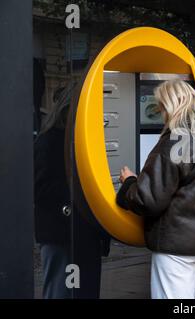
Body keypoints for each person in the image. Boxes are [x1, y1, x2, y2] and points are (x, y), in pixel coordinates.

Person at [116, 79, 195, 299]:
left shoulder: (175, 141)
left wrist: (129, 183)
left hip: (177, 248)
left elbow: (148, 199)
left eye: (162, 107)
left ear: (173, 105)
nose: (162, 114)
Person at [34, 81, 110, 299]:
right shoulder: (50, 141)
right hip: (62, 232)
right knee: (62, 289)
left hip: (82, 231)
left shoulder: (82, 140)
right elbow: (41, 188)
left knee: (80, 289)